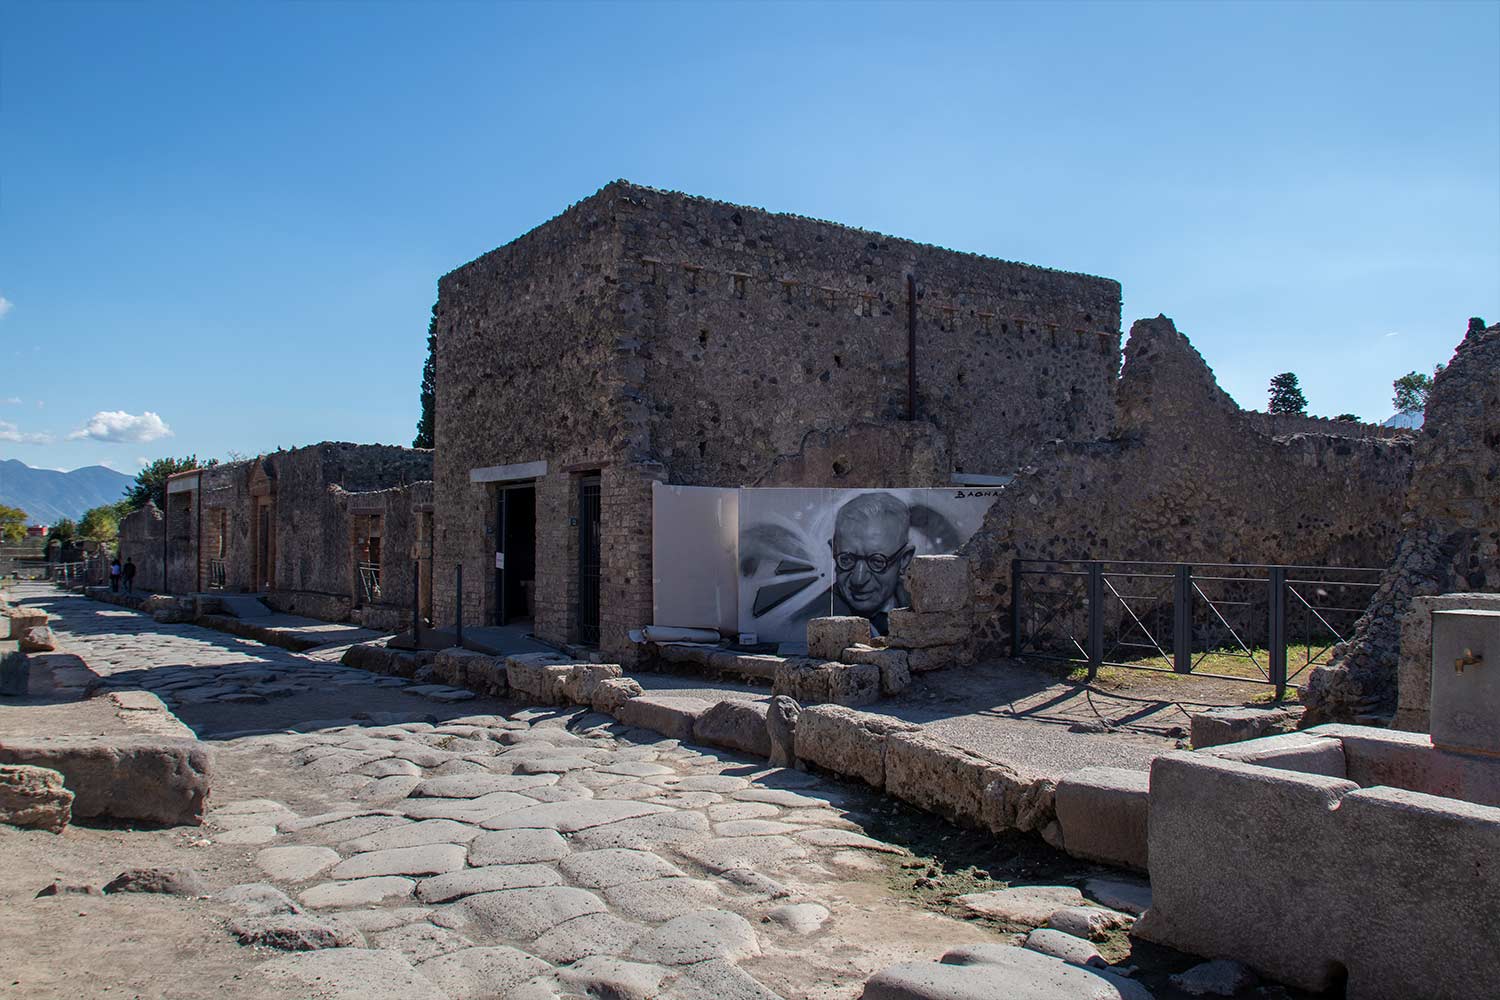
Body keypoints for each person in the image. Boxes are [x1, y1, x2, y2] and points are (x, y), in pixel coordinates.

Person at [828, 491, 914, 633]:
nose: (859, 579)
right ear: (833, 551)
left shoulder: (927, 611)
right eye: (846, 559)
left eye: (877, 561)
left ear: (904, 560)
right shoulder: (803, 620)